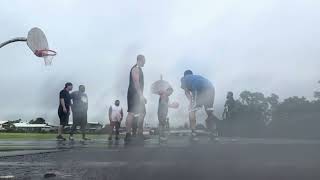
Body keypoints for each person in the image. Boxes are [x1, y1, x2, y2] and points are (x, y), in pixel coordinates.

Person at [180, 70, 215, 141]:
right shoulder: (197, 77)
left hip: (198, 90)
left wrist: (191, 101)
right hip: (211, 88)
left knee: (191, 110)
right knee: (209, 112)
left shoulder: (183, 79)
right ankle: (214, 133)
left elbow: (186, 92)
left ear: (185, 75)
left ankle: (193, 133)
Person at [125, 54, 147, 142]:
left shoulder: (139, 69)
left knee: (141, 112)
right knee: (132, 113)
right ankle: (128, 134)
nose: (145, 63)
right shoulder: (136, 68)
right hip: (134, 94)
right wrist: (141, 95)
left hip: (136, 94)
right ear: (140, 60)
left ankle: (139, 134)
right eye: (144, 61)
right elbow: (136, 82)